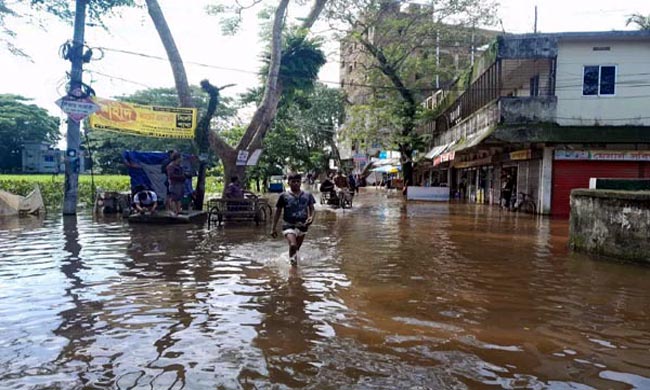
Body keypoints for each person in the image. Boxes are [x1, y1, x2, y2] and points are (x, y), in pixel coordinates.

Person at [271, 173, 316, 266]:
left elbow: (312, 208)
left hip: (303, 226)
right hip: (288, 225)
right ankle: (293, 268)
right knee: (293, 245)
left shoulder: (307, 195)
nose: (295, 183)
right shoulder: (283, 196)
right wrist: (273, 228)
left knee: (296, 248)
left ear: (300, 183)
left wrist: (311, 217)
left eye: (298, 181)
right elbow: (278, 211)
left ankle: (293, 261)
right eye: (293, 181)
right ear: (288, 183)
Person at [165, 152, 185, 216]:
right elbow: (171, 176)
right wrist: (181, 177)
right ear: (177, 158)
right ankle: (174, 211)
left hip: (180, 183)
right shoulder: (171, 166)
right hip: (174, 184)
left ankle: (178, 210)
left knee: (178, 198)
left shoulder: (179, 166)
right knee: (173, 198)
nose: (181, 159)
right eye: (180, 158)